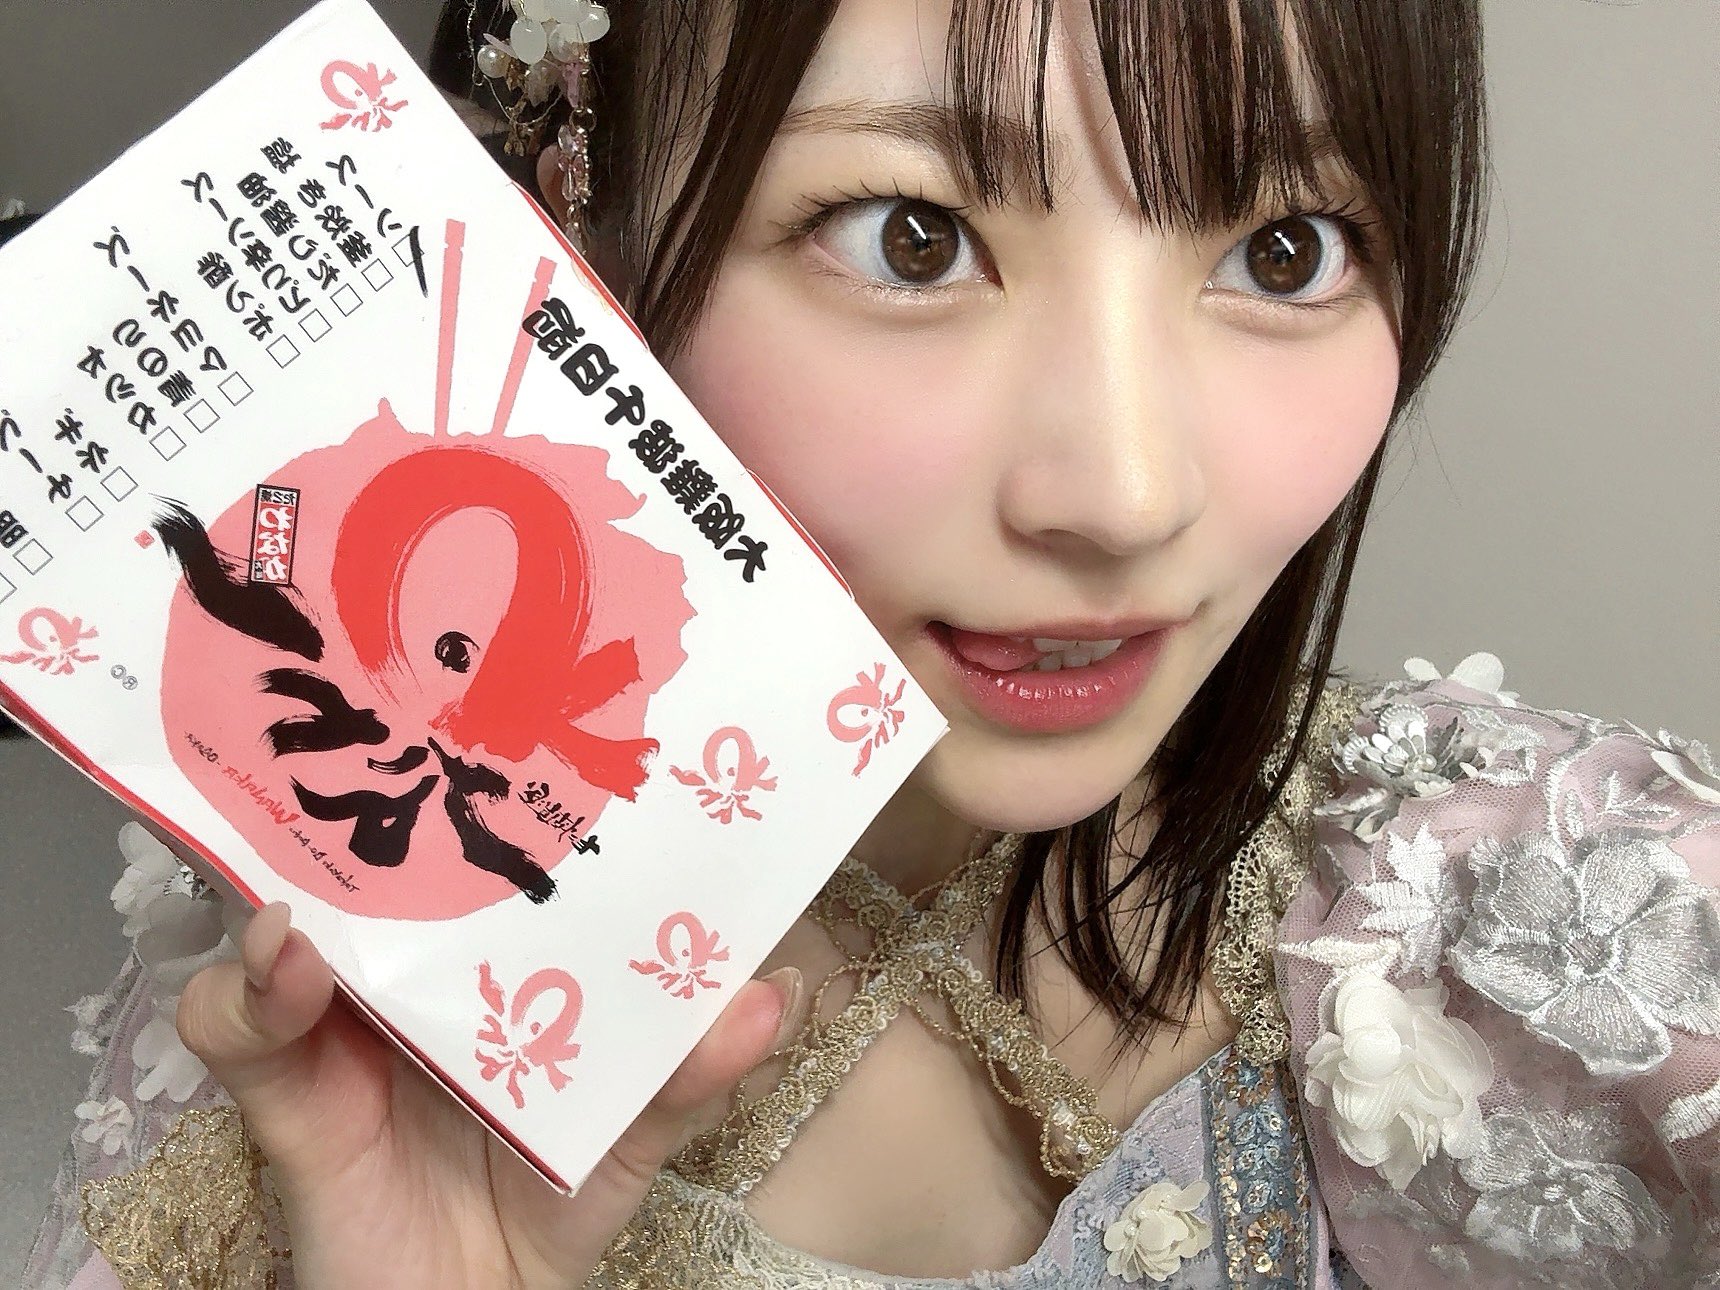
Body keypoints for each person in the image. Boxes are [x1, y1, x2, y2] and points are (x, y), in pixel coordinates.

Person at [23, 0, 1718, 1286]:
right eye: (913, 235)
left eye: (1289, 250)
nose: (1124, 495)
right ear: (574, 230)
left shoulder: (1562, 913)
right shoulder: (329, 1001)